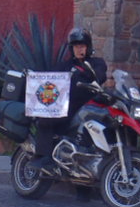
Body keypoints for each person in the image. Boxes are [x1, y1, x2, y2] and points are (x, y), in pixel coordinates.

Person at [30, 27, 108, 175]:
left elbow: (100, 75)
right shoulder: (65, 66)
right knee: (45, 119)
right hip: (68, 107)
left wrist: (87, 72)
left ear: (88, 47)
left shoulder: (97, 63)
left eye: (82, 46)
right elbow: (50, 81)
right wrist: (35, 79)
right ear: (71, 48)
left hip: (89, 106)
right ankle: (43, 158)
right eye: (76, 46)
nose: (79, 49)